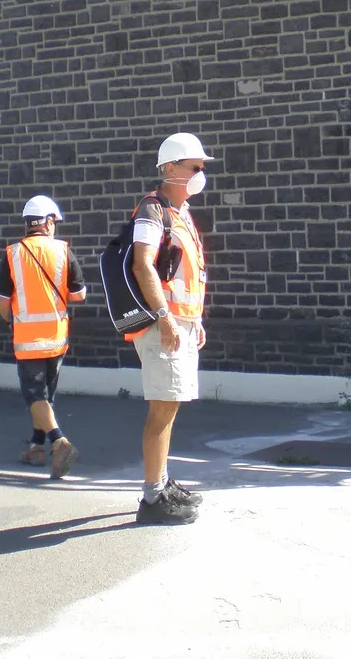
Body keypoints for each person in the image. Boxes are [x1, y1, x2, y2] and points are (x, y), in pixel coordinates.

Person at [129, 132, 214, 525]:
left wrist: (192, 321)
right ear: (168, 169)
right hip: (165, 325)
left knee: (171, 404)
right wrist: (164, 317)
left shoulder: (180, 214)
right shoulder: (152, 209)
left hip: (181, 324)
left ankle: (161, 482)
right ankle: (152, 499)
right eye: (193, 167)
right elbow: (143, 265)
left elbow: (188, 274)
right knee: (162, 409)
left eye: (201, 168)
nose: (200, 174)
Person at [0, 195, 86, 478]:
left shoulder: (12, 254)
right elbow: (79, 294)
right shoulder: (63, 251)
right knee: (46, 395)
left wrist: (16, 320)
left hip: (27, 339)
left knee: (34, 395)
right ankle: (35, 447)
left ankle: (59, 441)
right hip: (57, 337)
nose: (55, 227)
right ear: (46, 222)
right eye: (54, 222)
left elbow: (1, 302)